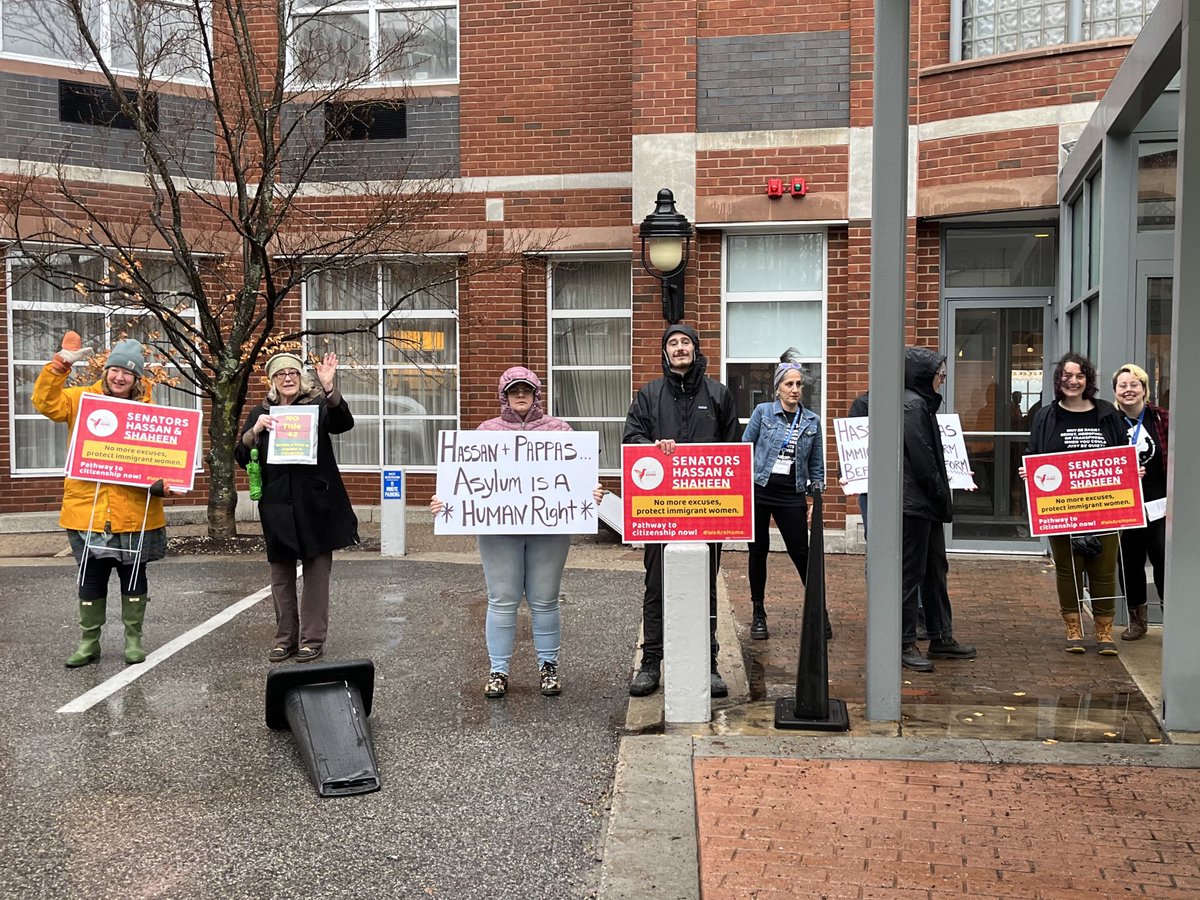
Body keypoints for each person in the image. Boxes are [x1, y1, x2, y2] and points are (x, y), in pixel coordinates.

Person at [430, 366, 602, 698]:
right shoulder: (485, 432)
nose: (520, 395)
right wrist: (446, 500)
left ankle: (548, 667)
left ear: (537, 394)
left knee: (545, 600)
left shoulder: (560, 431)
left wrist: (589, 493)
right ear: (504, 395)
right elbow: (465, 479)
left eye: (526, 390)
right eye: (513, 390)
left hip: (549, 530)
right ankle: (498, 670)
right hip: (499, 531)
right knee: (502, 600)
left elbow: (580, 475)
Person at [33, 334, 168, 667]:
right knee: (90, 579)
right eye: (115, 370)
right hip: (89, 511)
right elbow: (45, 403)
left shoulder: (148, 413)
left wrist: (166, 482)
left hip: (136, 511)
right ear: (106, 370)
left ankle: (133, 640)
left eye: (128, 372)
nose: (120, 377)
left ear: (138, 378)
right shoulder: (81, 400)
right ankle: (88, 642)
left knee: (133, 578)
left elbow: (165, 461)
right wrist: (60, 364)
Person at [624, 324, 740, 698]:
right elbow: (632, 437)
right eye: (672, 343)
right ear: (664, 352)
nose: (679, 348)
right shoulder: (649, 394)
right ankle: (651, 663)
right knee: (656, 587)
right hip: (660, 509)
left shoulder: (719, 394)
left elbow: (733, 447)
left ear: (695, 349)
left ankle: (708, 664)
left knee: (705, 587)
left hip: (707, 510)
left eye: (684, 342)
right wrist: (654, 446)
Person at [235, 350, 359, 663]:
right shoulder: (261, 411)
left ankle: (312, 640)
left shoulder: (317, 405)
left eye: (293, 373)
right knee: (281, 576)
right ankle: (284, 639)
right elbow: (241, 453)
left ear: (301, 378)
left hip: (316, 503)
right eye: (281, 374)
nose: (288, 379)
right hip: (276, 506)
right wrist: (256, 431)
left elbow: (343, 423)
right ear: (272, 381)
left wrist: (330, 389)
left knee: (316, 575)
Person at [1021, 352, 1127, 655]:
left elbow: (1122, 453)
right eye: (1067, 376)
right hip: (1061, 508)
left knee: (1104, 569)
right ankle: (1073, 629)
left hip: (1105, 506)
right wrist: (1028, 470)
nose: (1072, 381)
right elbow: (1034, 453)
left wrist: (1133, 470)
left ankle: (1104, 633)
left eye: (1079, 375)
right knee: (1068, 569)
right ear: (1059, 381)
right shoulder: (1045, 416)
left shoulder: (1107, 413)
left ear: (1087, 380)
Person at [899, 347, 977, 672]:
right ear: (924, 375)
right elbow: (923, 461)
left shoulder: (918, 404)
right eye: (939, 374)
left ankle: (941, 637)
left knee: (934, 569)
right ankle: (903, 642)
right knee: (912, 574)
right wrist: (943, 496)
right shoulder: (913, 406)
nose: (942, 380)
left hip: (922, 503)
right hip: (915, 504)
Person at [741, 350, 825, 641]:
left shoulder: (812, 421)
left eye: (798, 384)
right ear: (777, 388)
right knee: (758, 552)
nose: (794, 390)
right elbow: (744, 448)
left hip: (792, 494)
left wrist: (815, 501)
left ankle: (818, 610)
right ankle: (758, 613)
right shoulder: (763, 412)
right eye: (788, 384)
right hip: (759, 491)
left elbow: (816, 465)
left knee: (802, 553)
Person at [1111, 363, 1169, 641]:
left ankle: (1172, 615)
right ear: (1116, 392)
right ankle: (1137, 621)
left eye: (1134, 384)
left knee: (1162, 558)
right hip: (1125, 503)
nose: (1128, 390)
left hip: (1161, 502)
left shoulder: (1161, 419)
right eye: (1123, 385)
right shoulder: (1108, 422)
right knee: (1130, 561)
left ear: (1145, 390)